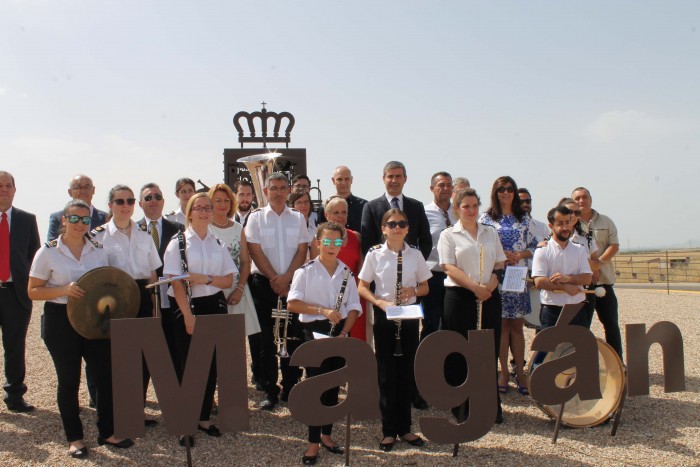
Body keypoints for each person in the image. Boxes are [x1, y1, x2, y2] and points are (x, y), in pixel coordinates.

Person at [28, 200, 134, 458]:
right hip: (60, 320)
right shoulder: (48, 252)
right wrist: (63, 289)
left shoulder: (98, 249)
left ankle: (108, 432)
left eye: (85, 220)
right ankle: (74, 438)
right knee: (69, 380)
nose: (79, 224)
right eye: (74, 219)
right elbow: (33, 291)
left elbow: (108, 282)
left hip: (94, 319)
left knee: (104, 376)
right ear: (64, 220)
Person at [164, 192, 237, 447]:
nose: (205, 212)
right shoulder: (178, 243)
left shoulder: (218, 242)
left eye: (208, 207)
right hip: (188, 307)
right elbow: (175, 283)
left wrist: (204, 278)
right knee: (189, 367)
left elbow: (229, 280)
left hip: (214, 305)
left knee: (211, 365)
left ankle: (204, 418)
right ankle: (185, 424)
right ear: (190, 212)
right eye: (199, 208)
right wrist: (188, 316)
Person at [287, 222, 361, 465]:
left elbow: (353, 308)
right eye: (327, 242)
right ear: (318, 243)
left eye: (336, 242)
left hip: (338, 333)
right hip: (313, 332)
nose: (331, 246)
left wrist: (345, 333)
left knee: (332, 388)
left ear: (342, 244)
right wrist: (322, 309)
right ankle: (312, 443)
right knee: (315, 389)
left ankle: (327, 435)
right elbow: (293, 304)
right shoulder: (305, 271)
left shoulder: (347, 273)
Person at [358, 209, 431, 452]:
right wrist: (379, 302)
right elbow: (362, 286)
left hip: (408, 317)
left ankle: (406, 428)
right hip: (385, 314)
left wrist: (412, 292)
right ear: (384, 228)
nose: (397, 227)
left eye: (402, 223)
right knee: (387, 374)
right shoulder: (375, 254)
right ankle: (389, 430)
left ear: (408, 228)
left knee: (406, 372)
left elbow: (425, 287)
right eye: (392, 224)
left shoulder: (416, 254)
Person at [91, 184, 161, 426]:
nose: (125, 206)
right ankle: (114, 416)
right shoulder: (97, 236)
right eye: (119, 201)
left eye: (130, 201)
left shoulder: (144, 234)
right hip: (113, 299)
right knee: (114, 360)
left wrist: (152, 307)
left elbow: (153, 273)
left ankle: (135, 412)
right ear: (110, 205)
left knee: (141, 359)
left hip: (142, 296)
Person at [438, 188, 505, 424]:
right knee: (460, 352)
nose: (471, 210)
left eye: (475, 205)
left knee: (488, 350)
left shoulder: (490, 232)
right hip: (460, 297)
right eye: (466, 206)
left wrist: (489, 287)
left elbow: (499, 264)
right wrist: (474, 288)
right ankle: (461, 406)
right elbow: (448, 267)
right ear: (457, 209)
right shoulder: (449, 235)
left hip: (489, 295)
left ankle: (489, 405)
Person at [245, 172, 310, 411]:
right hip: (264, 284)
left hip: (293, 284)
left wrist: (287, 279)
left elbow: (302, 251)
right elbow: (255, 251)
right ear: (266, 191)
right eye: (274, 188)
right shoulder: (256, 218)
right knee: (266, 340)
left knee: (292, 337)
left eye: (283, 187)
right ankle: (270, 389)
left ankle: (291, 386)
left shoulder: (297, 218)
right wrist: (275, 278)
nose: (279, 192)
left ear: (288, 190)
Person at [479, 176, 537, 396]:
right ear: (495, 192)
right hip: (497, 275)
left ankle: (520, 373)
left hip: (517, 276)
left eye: (509, 189)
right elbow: (482, 245)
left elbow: (535, 245)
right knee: (501, 326)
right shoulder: (486, 218)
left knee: (517, 327)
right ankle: (503, 372)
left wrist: (519, 254)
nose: (506, 193)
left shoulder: (524, 218)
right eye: (501, 189)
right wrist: (501, 257)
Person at [0, 171, 40, 413]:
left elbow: (34, 255)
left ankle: (15, 396)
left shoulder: (27, 219)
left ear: (14, 190)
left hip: (15, 294)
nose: (3, 189)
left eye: (8, 185)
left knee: (14, 347)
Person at [137, 183, 185, 379]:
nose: (153, 201)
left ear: (164, 201)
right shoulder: (133, 231)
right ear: (140, 204)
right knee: (144, 349)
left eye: (157, 197)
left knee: (176, 346)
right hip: (145, 298)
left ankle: (181, 391)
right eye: (148, 198)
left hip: (173, 297)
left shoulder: (178, 229)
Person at [572, 186, 622, 357]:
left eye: (584, 197)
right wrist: (590, 268)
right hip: (583, 286)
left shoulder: (606, 221)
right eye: (577, 198)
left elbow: (613, 245)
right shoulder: (570, 224)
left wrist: (598, 264)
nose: (581, 201)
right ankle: (580, 364)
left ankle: (618, 364)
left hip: (604, 282)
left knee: (611, 325)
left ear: (590, 199)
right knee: (581, 327)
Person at [208, 183, 260, 336]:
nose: (223, 204)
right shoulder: (205, 227)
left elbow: (245, 261)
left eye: (226, 200)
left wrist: (239, 289)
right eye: (218, 200)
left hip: (237, 291)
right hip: (212, 290)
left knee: (235, 339)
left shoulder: (238, 228)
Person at [532, 205, 593, 328]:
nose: (565, 227)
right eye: (560, 223)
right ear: (551, 226)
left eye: (567, 222)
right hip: (551, 310)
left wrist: (567, 278)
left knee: (579, 346)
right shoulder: (542, 250)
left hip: (577, 309)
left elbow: (587, 278)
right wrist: (566, 287)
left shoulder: (579, 249)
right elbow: (539, 281)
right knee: (548, 347)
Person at [361, 161, 432, 259]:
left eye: (398, 176)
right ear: (383, 179)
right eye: (390, 177)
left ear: (405, 179)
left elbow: (426, 239)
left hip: (411, 267)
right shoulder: (371, 207)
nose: (394, 180)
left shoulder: (417, 206)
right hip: (382, 267)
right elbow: (367, 242)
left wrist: (417, 263)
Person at [323, 196, 366, 341]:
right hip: (329, 296)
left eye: (344, 212)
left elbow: (362, 268)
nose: (340, 216)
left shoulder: (357, 237)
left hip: (354, 295)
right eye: (336, 212)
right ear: (326, 215)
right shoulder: (319, 239)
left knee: (357, 338)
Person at [423, 171, 457, 339]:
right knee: (431, 322)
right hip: (433, 275)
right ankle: (426, 362)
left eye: (449, 185)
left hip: (457, 276)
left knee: (452, 323)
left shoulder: (460, 212)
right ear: (432, 188)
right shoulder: (423, 213)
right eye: (441, 185)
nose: (446, 188)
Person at [558, 197, 600, 327]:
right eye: (570, 211)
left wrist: (580, 259)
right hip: (558, 291)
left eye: (577, 212)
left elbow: (596, 264)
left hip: (583, 291)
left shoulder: (586, 237)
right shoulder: (549, 238)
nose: (573, 215)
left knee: (582, 331)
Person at [47, 174, 108, 241]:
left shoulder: (105, 218)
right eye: (78, 187)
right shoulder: (57, 217)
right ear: (70, 192)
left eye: (87, 187)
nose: (83, 191)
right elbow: (52, 245)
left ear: (93, 190)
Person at [316, 166, 367, 232]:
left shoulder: (364, 206)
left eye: (347, 179)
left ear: (351, 180)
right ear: (333, 180)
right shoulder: (324, 208)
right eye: (339, 179)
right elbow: (320, 234)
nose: (343, 183)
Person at [287, 190, 317, 258]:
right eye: (299, 202)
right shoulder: (287, 229)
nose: (303, 205)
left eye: (306, 202)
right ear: (293, 205)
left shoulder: (316, 229)